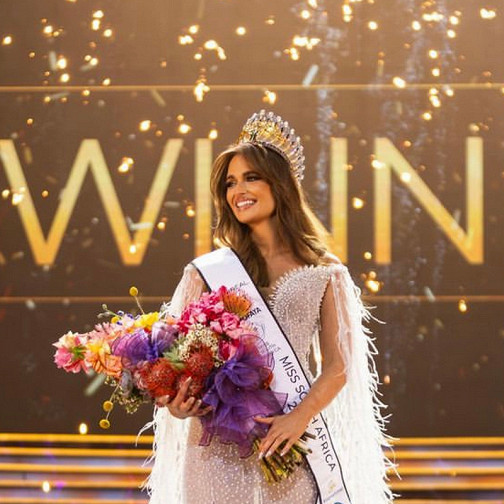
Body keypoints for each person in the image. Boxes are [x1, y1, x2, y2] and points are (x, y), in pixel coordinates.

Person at [144, 111, 394, 504]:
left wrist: (298, 418)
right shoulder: (208, 272)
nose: (238, 190)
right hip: (215, 449)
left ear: (280, 184)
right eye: (230, 183)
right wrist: (176, 402)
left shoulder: (324, 271)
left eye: (251, 177)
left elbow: (338, 366)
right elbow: (177, 359)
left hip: (288, 438)